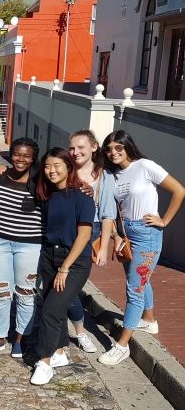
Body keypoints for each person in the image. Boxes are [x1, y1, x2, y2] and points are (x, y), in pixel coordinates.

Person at [98, 130, 184, 365]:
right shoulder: (113, 175)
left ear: (128, 146)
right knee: (139, 282)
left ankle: (122, 346)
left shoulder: (144, 166)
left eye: (118, 147)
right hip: (126, 233)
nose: (113, 152)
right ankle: (149, 320)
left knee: (134, 288)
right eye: (108, 149)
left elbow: (179, 190)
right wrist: (117, 235)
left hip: (147, 234)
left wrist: (164, 221)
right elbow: (116, 209)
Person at [30, 148, 95, 385]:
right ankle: (59, 353)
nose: (52, 170)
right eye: (47, 166)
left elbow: (84, 234)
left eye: (57, 165)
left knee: (50, 310)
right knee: (50, 305)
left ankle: (44, 362)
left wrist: (65, 267)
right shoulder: (47, 195)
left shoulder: (83, 196)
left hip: (74, 262)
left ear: (69, 167)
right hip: (49, 256)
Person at [0, 138, 43, 358]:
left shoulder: (40, 182)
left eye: (26, 156)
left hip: (30, 245)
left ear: (33, 158)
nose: (20, 159)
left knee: (25, 293)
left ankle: (21, 339)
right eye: (16, 154)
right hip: (0, 243)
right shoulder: (0, 177)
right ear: (10, 154)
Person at [67, 130, 117, 353]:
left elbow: (108, 214)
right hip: (63, 231)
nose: (75, 152)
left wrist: (104, 247)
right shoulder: (65, 170)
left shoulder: (104, 177)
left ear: (94, 147)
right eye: (72, 148)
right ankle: (74, 331)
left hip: (90, 232)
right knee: (60, 285)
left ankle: (79, 332)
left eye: (81, 148)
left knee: (71, 286)